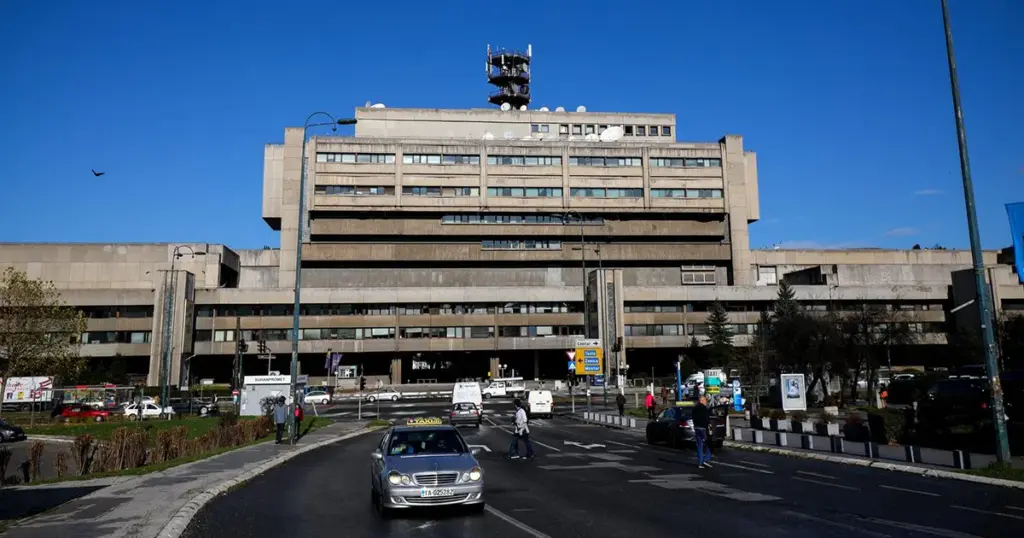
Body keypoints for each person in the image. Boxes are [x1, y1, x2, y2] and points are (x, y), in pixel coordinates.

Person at [692, 395, 713, 468]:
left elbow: (693, 418)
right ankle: (706, 459)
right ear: (702, 400)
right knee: (709, 444)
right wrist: (709, 427)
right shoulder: (705, 408)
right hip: (704, 428)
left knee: (699, 445)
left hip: (697, 428)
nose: (706, 401)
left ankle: (700, 463)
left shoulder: (695, 408)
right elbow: (707, 419)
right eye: (705, 400)